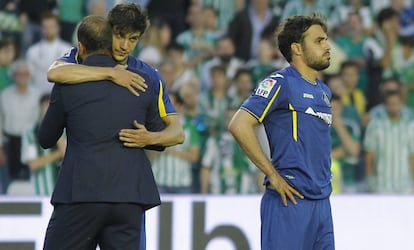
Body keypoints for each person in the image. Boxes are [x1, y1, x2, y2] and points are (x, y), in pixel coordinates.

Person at [46, 4, 185, 250]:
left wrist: (149, 138)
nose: (124, 46)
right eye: (120, 36)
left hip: (96, 191)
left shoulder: (149, 76)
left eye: (132, 39)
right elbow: (54, 73)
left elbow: (177, 132)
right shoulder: (79, 58)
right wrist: (109, 73)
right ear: (109, 31)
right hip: (126, 195)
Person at [228, 14, 334, 249]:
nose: (327, 46)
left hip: (322, 203)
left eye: (326, 40)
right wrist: (273, 175)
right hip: (290, 200)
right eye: (319, 41)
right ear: (297, 48)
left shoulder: (324, 91)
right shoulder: (280, 82)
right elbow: (239, 124)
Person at [364, 89, 414, 194]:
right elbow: (369, 155)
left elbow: (411, 155)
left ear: (401, 104)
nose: (393, 107)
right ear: (385, 105)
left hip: (405, 185)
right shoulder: (375, 125)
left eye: (396, 103)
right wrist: (369, 178)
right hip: (381, 185)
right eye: (390, 104)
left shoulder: (409, 126)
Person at [21, 93, 66, 196]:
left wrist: (56, 128)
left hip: (62, 192)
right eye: (46, 108)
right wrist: (58, 154)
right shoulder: (30, 133)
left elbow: (67, 155)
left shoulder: (65, 131)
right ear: (40, 109)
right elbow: (33, 164)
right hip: (39, 192)